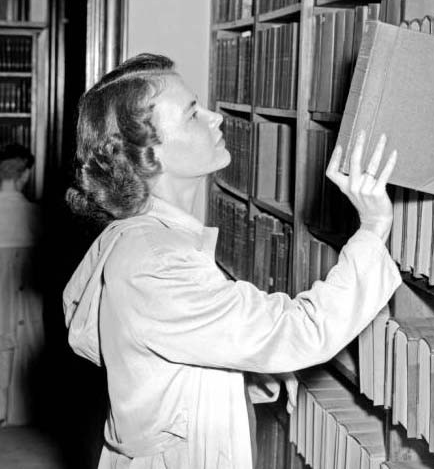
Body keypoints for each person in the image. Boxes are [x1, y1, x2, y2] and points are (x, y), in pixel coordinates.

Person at [62, 53, 401, 468]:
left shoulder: (147, 240)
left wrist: (252, 371)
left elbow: (169, 361)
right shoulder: (155, 264)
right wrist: (373, 228)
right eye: (192, 115)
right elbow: (302, 329)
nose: (215, 119)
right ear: (149, 154)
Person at [0, 143, 44, 426]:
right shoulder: (35, 216)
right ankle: (16, 413)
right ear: (25, 175)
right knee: (24, 343)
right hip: (23, 295)